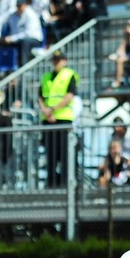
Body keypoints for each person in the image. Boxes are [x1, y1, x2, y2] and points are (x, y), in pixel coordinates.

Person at [38, 50, 78, 188]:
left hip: (63, 119)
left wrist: (52, 110)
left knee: (64, 153)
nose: (56, 62)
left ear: (65, 60)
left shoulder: (69, 75)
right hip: (48, 120)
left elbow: (69, 96)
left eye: (59, 60)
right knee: (50, 154)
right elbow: (40, 97)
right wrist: (46, 111)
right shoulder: (46, 76)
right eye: (54, 60)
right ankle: (51, 183)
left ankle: (66, 184)